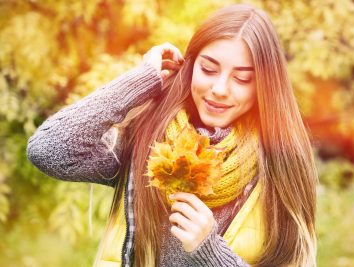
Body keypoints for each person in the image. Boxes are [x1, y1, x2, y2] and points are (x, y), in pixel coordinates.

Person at [26, 3, 317, 267]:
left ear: (264, 85)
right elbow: (50, 150)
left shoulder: (282, 160)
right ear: (191, 66)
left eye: (241, 78)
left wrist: (210, 253)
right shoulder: (149, 136)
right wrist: (140, 81)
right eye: (208, 69)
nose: (219, 89)